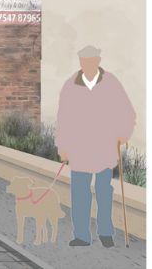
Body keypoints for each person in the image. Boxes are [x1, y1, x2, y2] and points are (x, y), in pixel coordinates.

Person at [55, 45, 137, 248]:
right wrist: (62, 146)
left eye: (91, 60)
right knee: (80, 194)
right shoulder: (70, 85)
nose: (88, 64)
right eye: (84, 60)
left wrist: (123, 134)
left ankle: (106, 232)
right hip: (79, 150)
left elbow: (128, 113)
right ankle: (81, 235)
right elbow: (62, 119)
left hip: (104, 149)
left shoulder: (111, 83)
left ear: (98, 61)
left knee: (103, 193)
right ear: (80, 62)